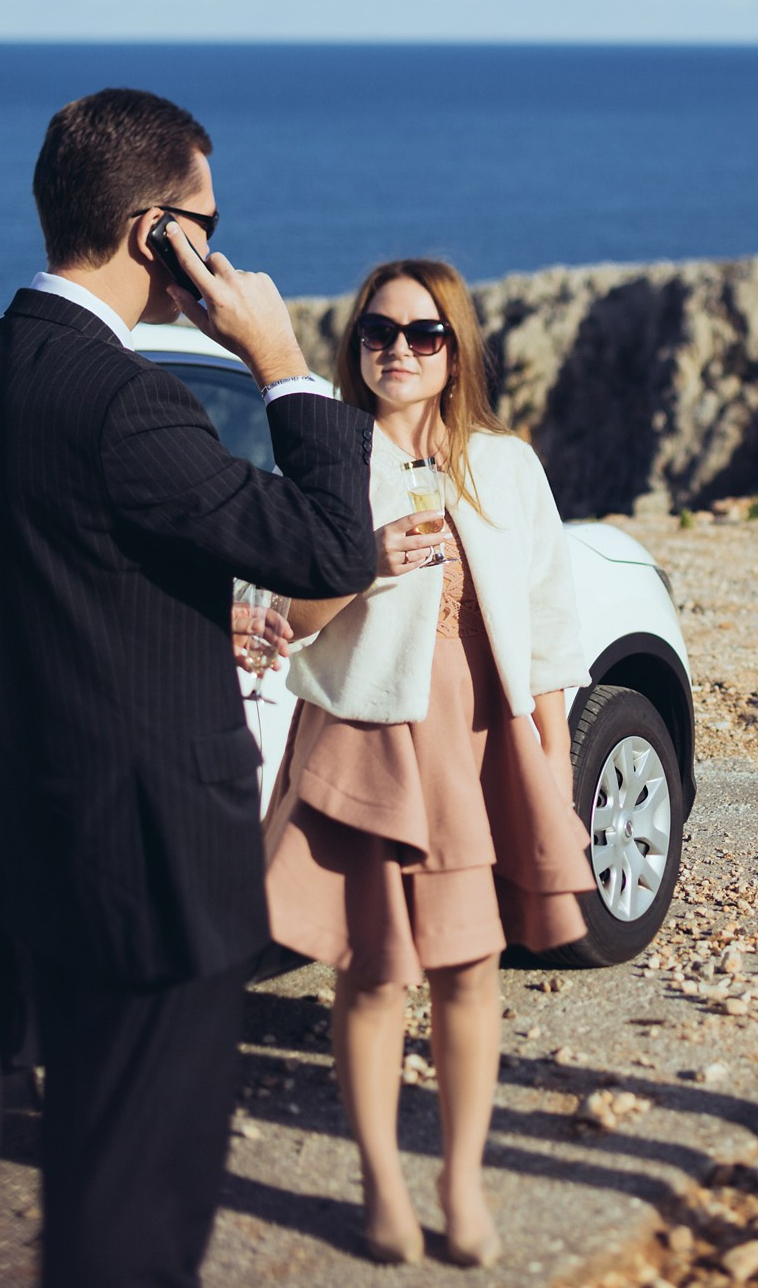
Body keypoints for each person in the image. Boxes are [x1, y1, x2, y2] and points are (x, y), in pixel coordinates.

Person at [0, 88, 379, 1288]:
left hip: (47, 834)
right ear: (153, 232)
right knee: (145, 1193)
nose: (219, 247)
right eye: (207, 222)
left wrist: (170, 619)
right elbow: (331, 549)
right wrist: (281, 362)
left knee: (89, 1154)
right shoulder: (130, 401)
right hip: (159, 862)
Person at [260, 259, 594, 1268]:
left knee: (470, 969)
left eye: (423, 334)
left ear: (455, 353)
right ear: (355, 346)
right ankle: (378, 1183)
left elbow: (545, 627)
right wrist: (357, 563)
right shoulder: (327, 465)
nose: (397, 350)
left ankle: (459, 1179)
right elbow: (285, 623)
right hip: (369, 732)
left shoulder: (505, 466)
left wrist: (550, 763)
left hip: (481, 736)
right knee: (368, 976)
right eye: (376, 332)